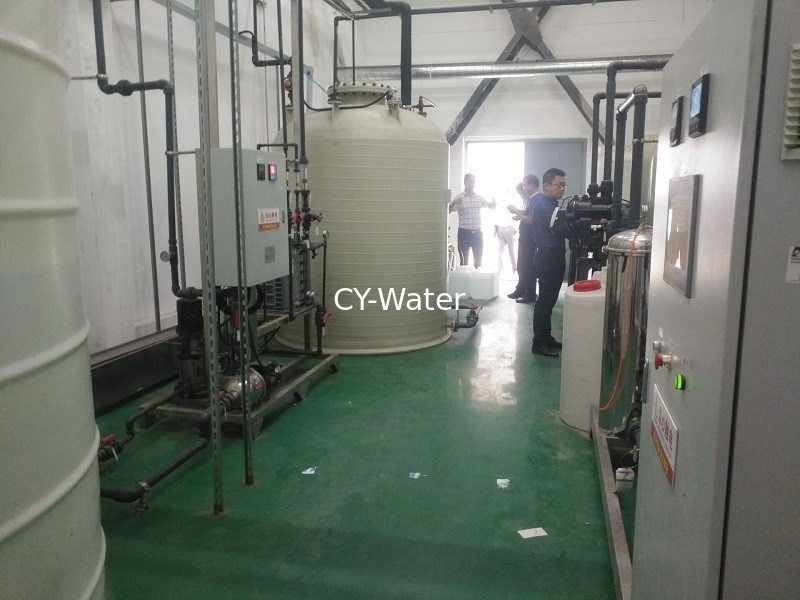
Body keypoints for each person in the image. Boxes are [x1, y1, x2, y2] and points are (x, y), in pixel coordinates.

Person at [530, 168, 570, 357]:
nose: (562, 188)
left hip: (555, 256)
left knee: (550, 300)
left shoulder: (552, 204)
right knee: (545, 301)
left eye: (564, 185)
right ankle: (538, 342)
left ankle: (546, 337)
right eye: (558, 184)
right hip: (547, 259)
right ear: (546, 185)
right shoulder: (543, 206)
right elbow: (562, 229)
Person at [449, 173, 496, 268]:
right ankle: (464, 278)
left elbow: (491, 206)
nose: (472, 184)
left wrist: (494, 203)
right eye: (470, 181)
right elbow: (448, 211)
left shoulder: (479, 198)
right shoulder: (459, 198)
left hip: (477, 233)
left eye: (473, 182)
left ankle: (477, 277)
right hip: (464, 233)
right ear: (465, 182)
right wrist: (453, 202)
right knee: (464, 263)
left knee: (478, 264)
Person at [507, 175, 539, 303]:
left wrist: (516, 211)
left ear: (532, 185)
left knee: (527, 266)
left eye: (525, 185)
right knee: (522, 265)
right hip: (526, 237)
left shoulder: (537, 199)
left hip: (530, 239)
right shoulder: (532, 200)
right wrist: (519, 215)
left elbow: (530, 219)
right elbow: (527, 214)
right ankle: (522, 290)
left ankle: (529, 294)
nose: (524, 188)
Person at [495, 186, 519, 274]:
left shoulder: (499, 200)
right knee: (511, 252)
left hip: (500, 228)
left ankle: (499, 270)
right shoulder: (513, 199)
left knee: (500, 251)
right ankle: (514, 270)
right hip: (509, 227)